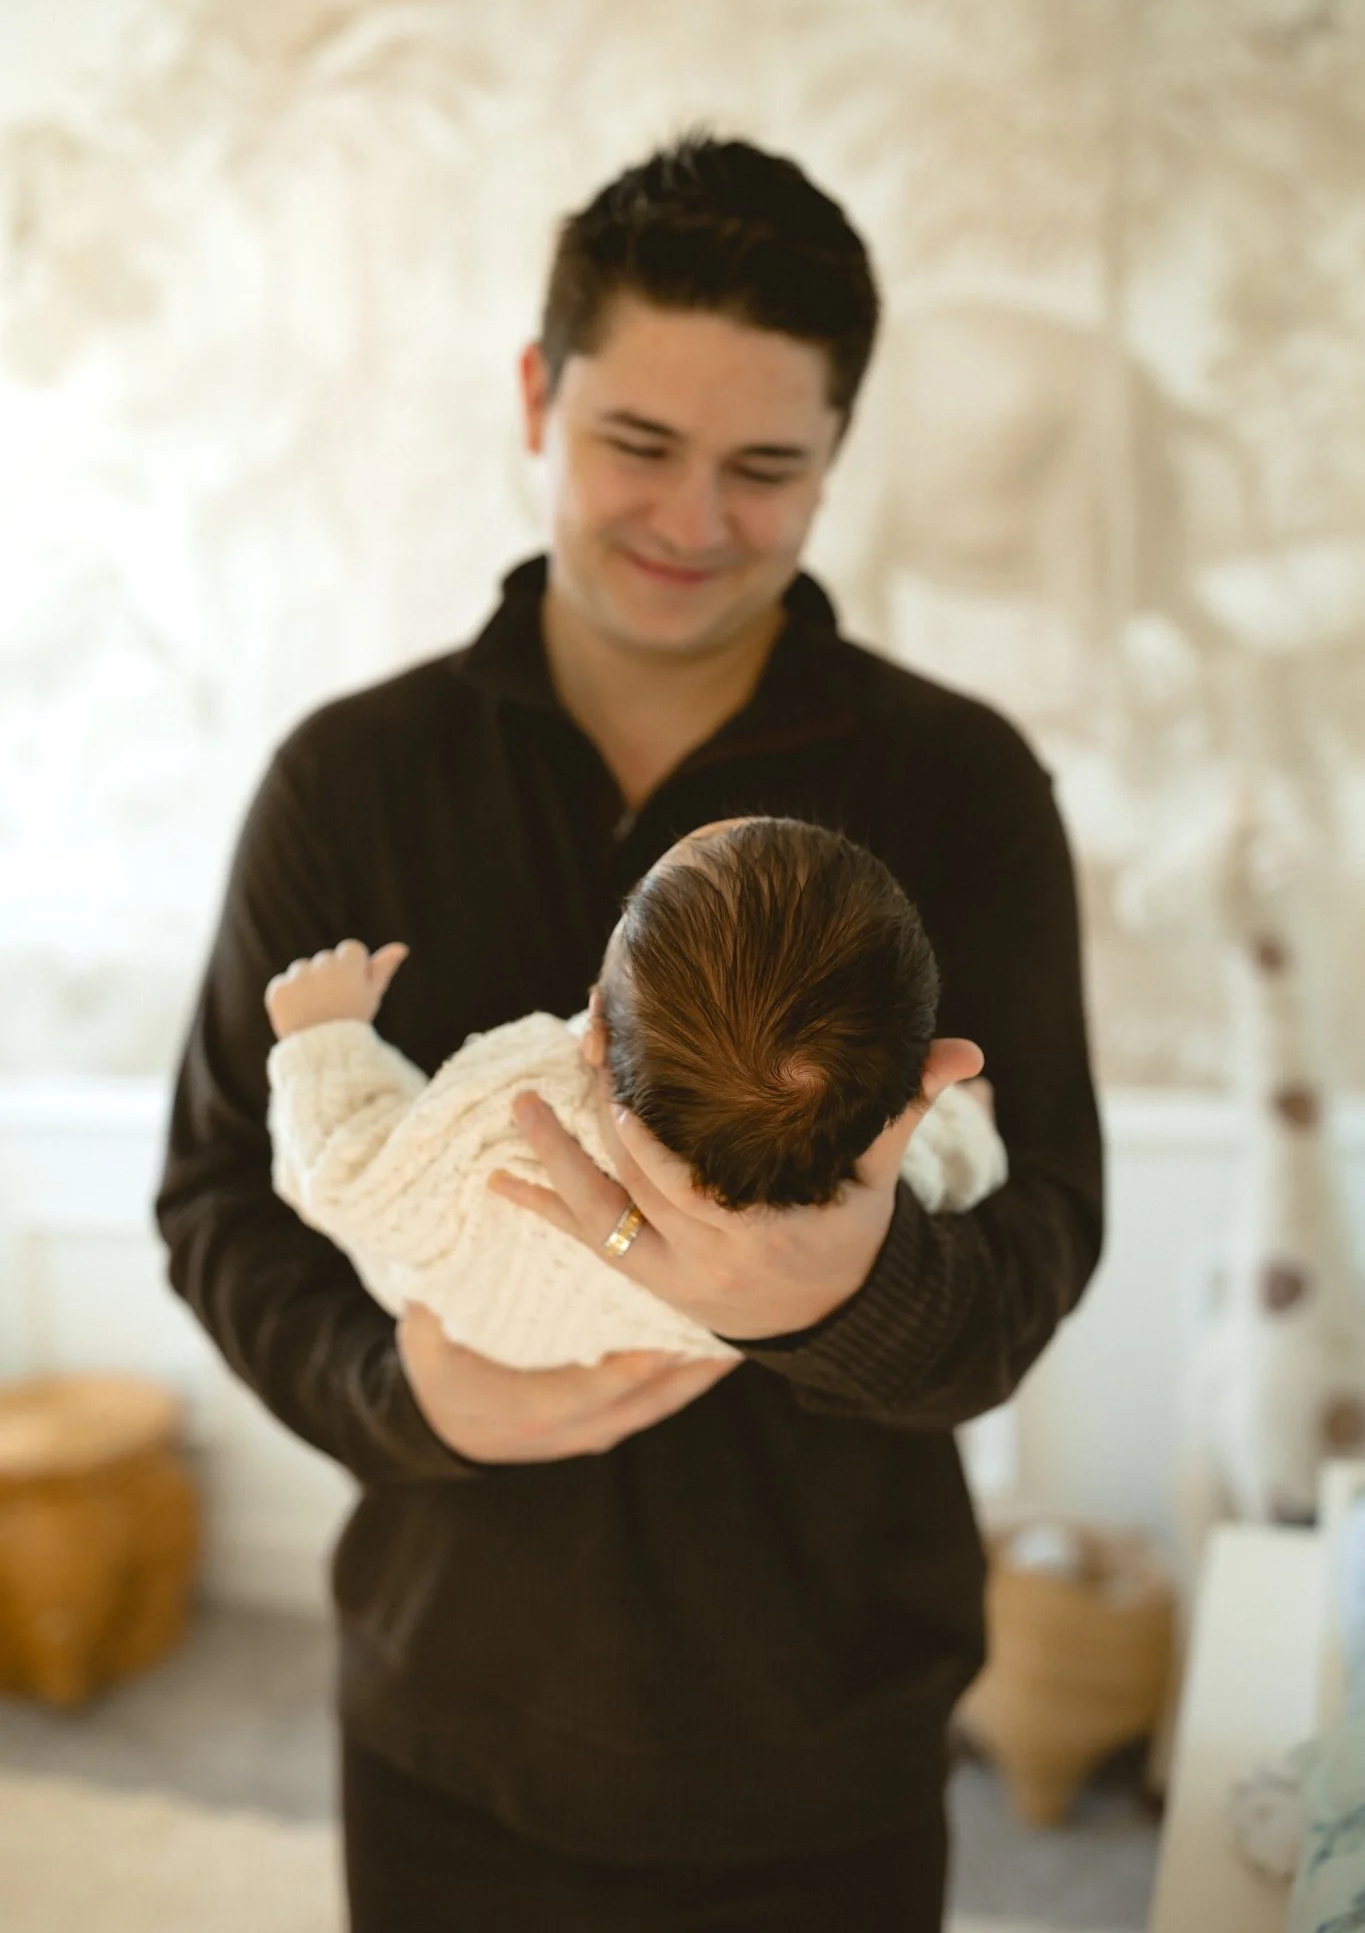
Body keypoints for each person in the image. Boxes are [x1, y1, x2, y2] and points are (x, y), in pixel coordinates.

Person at [157, 131, 1104, 1932]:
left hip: (823, 1758)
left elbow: (1040, 1246)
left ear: (837, 458)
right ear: (537, 392)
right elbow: (216, 1200)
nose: (693, 522)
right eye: (638, 446)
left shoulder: (962, 788)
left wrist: (836, 1288)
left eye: (766, 466)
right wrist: (409, 1389)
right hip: (447, 1738)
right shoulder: (347, 782)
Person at [262, 818, 1010, 1369]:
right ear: (910, 1082)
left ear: (593, 1024)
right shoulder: (867, 1173)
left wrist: (323, 1037)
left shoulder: (518, 1103)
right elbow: (964, 1166)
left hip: (474, 1320)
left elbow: (344, 1174)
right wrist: (971, 1123)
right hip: (672, 1354)